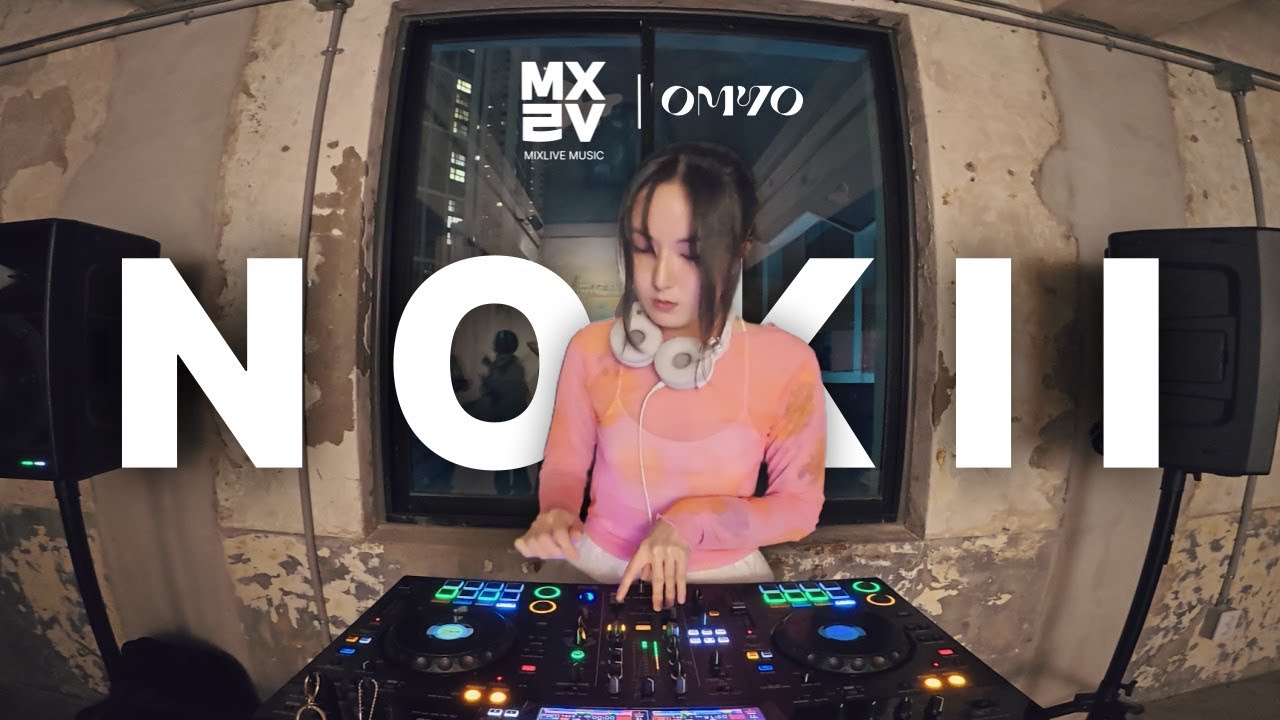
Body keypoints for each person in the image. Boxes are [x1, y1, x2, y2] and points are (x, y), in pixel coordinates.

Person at [514, 142, 827, 611]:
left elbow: (799, 509)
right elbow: (565, 466)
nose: (661, 278)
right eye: (644, 248)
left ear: (739, 251)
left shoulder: (787, 361)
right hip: (597, 572)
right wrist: (556, 513)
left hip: (726, 587)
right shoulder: (590, 349)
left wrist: (691, 521)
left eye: (691, 254)